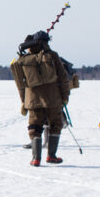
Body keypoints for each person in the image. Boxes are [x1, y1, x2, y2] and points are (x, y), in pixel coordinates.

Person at [11, 31, 71, 166]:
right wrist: (65, 97)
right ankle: (51, 156)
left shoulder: (24, 59)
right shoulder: (52, 56)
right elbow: (63, 78)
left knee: (34, 128)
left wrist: (23, 101)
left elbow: (20, 84)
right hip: (53, 99)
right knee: (55, 125)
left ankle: (36, 158)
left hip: (32, 100)